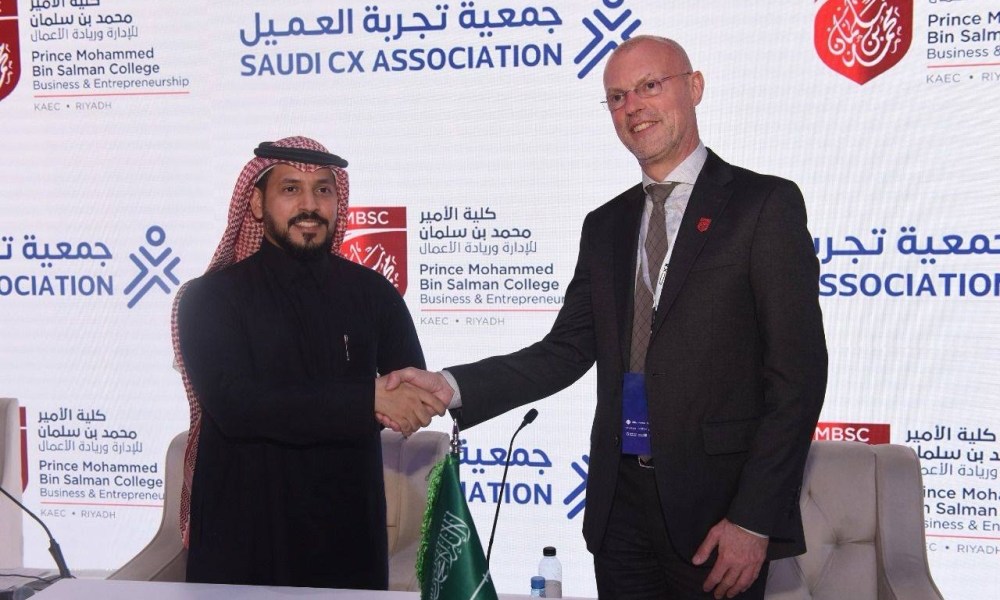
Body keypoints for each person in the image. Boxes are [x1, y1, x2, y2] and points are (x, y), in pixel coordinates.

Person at [386, 36, 827, 599]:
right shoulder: (606, 225)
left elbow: (798, 375)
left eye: (650, 86)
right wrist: (450, 386)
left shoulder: (763, 205)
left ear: (694, 87)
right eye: (617, 97)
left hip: (718, 514)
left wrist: (754, 519)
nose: (633, 106)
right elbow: (564, 351)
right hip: (620, 513)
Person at [172, 136, 447, 589]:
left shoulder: (372, 293)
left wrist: (395, 401)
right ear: (256, 204)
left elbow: (408, 392)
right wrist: (364, 400)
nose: (310, 205)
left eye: (323, 190)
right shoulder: (210, 298)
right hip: (244, 535)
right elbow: (235, 407)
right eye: (290, 189)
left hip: (346, 531)